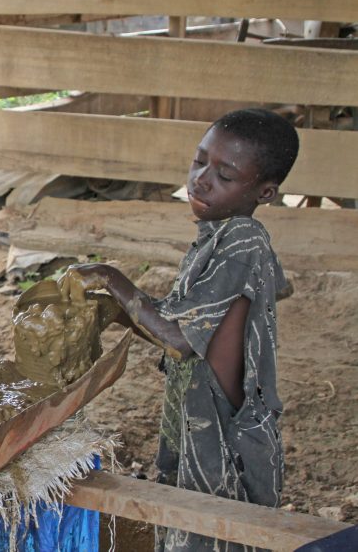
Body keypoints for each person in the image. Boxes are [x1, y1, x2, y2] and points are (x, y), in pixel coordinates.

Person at [60, 108, 299, 551]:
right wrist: (109, 310)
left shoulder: (244, 240)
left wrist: (111, 278)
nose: (202, 180)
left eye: (224, 175)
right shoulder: (217, 235)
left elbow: (177, 338)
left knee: (215, 537)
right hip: (195, 423)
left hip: (226, 439)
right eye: (199, 161)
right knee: (184, 529)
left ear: (265, 192)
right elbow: (171, 324)